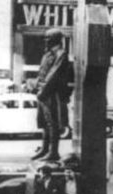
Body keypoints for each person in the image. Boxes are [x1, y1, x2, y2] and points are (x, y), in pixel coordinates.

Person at [31, 29, 70, 163]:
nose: (45, 40)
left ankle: (53, 152)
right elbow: (41, 72)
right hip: (43, 92)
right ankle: (45, 149)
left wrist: (43, 91)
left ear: (56, 39)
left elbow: (54, 75)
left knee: (52, 123)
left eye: (48, 38)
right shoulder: (47, 54)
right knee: (44, 122)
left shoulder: (61, 54)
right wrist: (36, 86)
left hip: (52, 93)